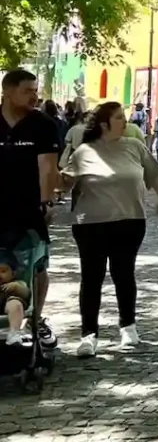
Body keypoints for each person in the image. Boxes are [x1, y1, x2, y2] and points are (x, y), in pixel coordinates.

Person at [60, 102, 158, 357]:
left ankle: (128, 326)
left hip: (130, 221)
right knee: (92, 278)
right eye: (120, 118)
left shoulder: (134, 146)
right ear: (104, 124)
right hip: (91, 224)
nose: (125, 122)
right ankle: (89, 335)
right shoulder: (85, 151)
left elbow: (155, 174)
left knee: (124, 273)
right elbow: (65, 184)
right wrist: (61, 174)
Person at [0, 69, 60, 350]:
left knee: (36, 263)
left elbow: (48, 166)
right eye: (27, 90)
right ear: (8, 92)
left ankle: (35, 318)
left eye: (35, 90)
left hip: (28, 207)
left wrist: (47, 201)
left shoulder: (43, 124)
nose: (34, 96)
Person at [0, 250, 30, 346]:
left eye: (3, 271)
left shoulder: (17, 284)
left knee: (15, 304)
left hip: (9, 309)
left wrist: (15, 287)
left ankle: (14, 333)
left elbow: (26, 294)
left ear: (13, 274)